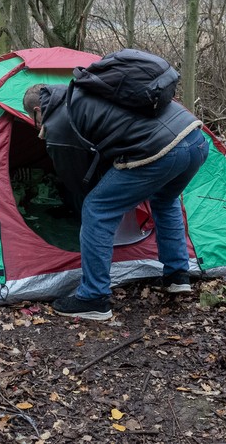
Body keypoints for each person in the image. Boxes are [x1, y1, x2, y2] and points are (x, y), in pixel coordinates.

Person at [22, 54, 209, 321]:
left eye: (34, 122)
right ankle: (177, 275)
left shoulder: (58, 121)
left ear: (38, 112)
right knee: (165, 201)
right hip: (195, 139)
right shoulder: (84, 92)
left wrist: (85, 200)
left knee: (97, 209)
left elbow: (76, 180)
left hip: (162, 151)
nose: (39, 128)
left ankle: (93, 297)